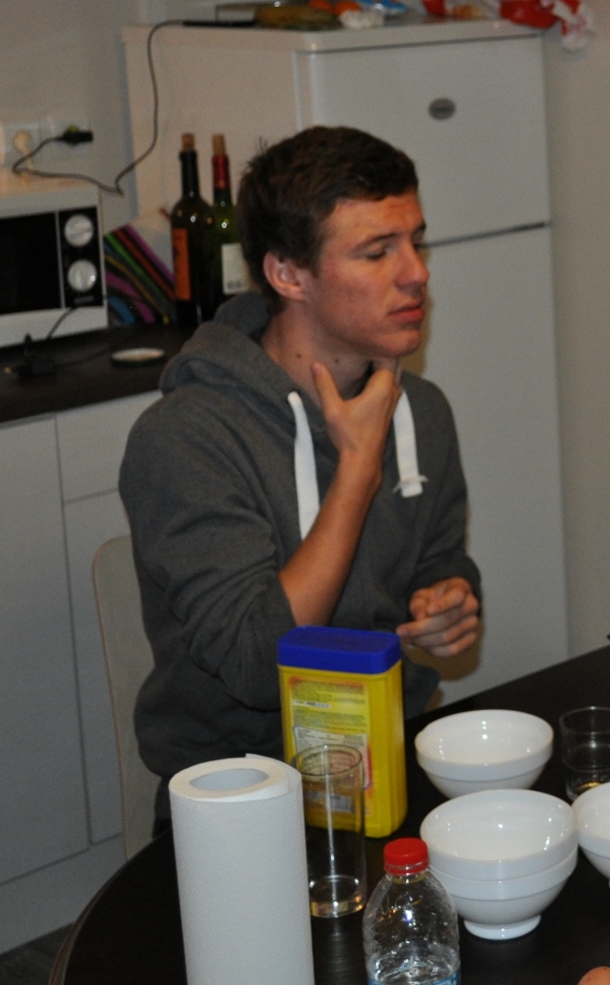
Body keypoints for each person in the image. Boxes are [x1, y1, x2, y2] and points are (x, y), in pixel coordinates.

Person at [121, 126, 481, 793]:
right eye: (377, 252)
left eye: (416, 241)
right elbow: (257, 665)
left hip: (387, 761)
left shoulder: (420, 410)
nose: (417, 273)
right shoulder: (185, 437)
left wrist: (449, 598)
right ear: (288, 274)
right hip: (240, 794)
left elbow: (438, 559)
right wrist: (357, 470)